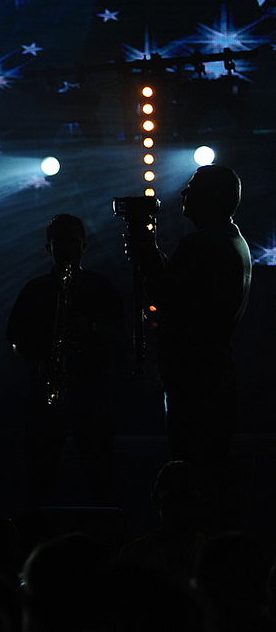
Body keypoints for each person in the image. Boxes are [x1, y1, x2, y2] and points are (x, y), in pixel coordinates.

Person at [128, 165, 252, 517]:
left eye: (192, 187)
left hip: (194, 381)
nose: (183, 193)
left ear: (211, 197)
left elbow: (166, 299)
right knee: (211, 478)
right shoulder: (233, 240)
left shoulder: (202, 243)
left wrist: (145, 248)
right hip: (214, 376)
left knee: (191, 479)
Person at [5, 214, 123, 505]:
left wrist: (91, 329)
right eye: (59, 243)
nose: (66, 248)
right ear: (49, 248)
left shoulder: (101, 286)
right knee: (40, 479)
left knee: (99, 477)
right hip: (46, 393)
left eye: (73, 241)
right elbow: (16, 340)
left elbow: (123, 335)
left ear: (84, 246)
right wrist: (40, 363)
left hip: (91, 392)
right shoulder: (35, 290)